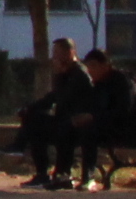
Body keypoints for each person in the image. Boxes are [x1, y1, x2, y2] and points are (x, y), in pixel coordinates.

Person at [20, 41, 91, 189]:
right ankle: (41, 173)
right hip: (63, 122)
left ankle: (61, 174)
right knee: (34, 120)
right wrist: (29, 108)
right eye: (54, 52)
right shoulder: (64, 73)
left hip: (78, 125)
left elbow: (64, 99)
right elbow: (51, 99)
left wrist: (60, 76)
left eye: (57, 52)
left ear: (70, 53)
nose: (54, 56)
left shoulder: (79, 73)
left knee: (56, 128)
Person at [79, 49, 136, 191]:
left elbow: (123, 111)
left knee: (88, 131)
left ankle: (88, 177)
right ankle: (62, 174)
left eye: (93, 66)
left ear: (106, 65)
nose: (90, 71)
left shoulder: (122, 82)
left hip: (129, 131)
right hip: (109, 127)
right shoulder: (99, 84)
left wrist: (93, 117)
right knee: (70, 127)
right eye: (88, 67)